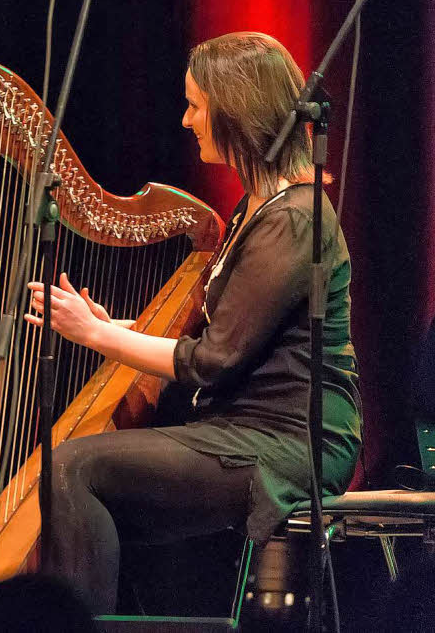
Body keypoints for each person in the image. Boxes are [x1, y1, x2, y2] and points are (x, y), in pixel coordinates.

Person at [25, 32, 361, 614]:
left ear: (236, 110)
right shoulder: (255, 208)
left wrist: (100, 336)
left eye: (196, 105)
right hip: (243, 428)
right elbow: (225, 332)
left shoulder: (295, 219)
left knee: (72, 467)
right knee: (82, 495)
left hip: (288, 441)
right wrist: (118, 325)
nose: (186, 120)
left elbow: (212, 360)